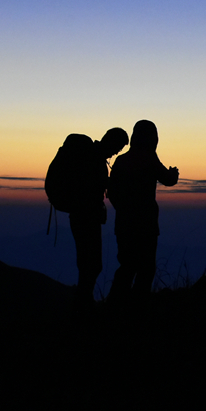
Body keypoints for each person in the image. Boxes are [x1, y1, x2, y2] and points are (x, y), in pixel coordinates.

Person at [106, 120, 179, 301]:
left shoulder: (121, 160)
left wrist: (123, 210)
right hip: (146, 224)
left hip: (123, 224)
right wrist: (174, 174)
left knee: (127, 266)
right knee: (146, 268)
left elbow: (112, 192)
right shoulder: (149, 158)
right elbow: (168, 179)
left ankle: (115, 304)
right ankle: (138, 306)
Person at [67, 127, 128, 308]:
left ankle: (83, 300)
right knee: (92, 264)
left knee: (88, 263)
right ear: (111, 141)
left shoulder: (93, 157)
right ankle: (83, 303)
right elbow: (90, 189)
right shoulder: (94, 159)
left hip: (82, 217)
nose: (116, 152)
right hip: (86, 218)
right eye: (118, 147)